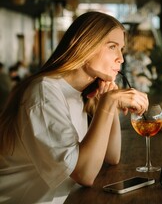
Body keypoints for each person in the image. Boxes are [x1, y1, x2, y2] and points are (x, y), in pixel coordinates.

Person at [0, 11, 149, 203]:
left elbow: (112, 156)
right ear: (85, 47)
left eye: (121, 49)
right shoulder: (44, 91)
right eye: (112, 47)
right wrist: (107, 103)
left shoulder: (80, 92)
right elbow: (84, 174)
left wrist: (107, 99)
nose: (121, 58)